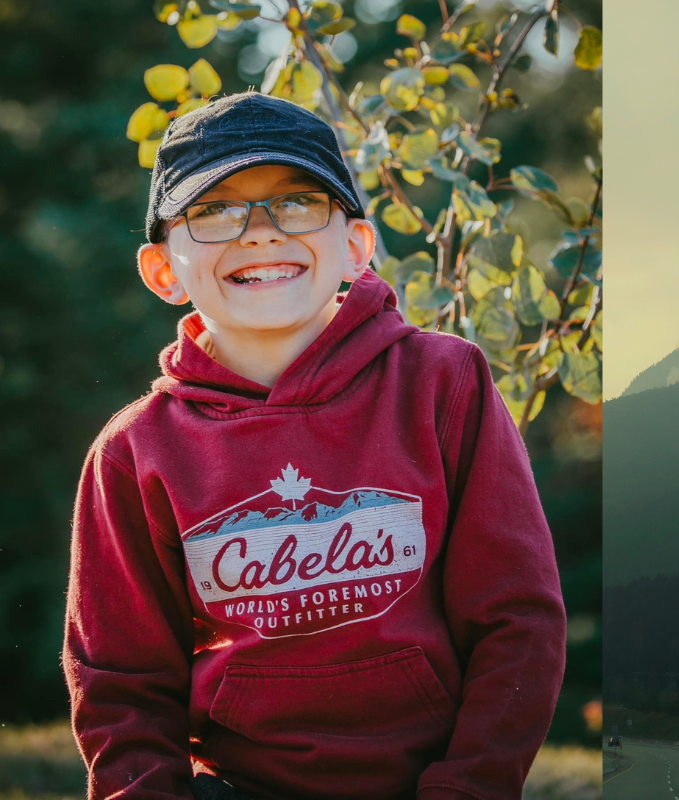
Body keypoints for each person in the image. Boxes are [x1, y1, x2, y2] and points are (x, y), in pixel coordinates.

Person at [62, 92, 566, 800]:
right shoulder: (136, 450)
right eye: (213, 210)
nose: (261, 233)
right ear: (162, 270)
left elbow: (518, 621)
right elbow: (119, 685)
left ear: (355, 246)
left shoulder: (442, 382)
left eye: (298, 202)